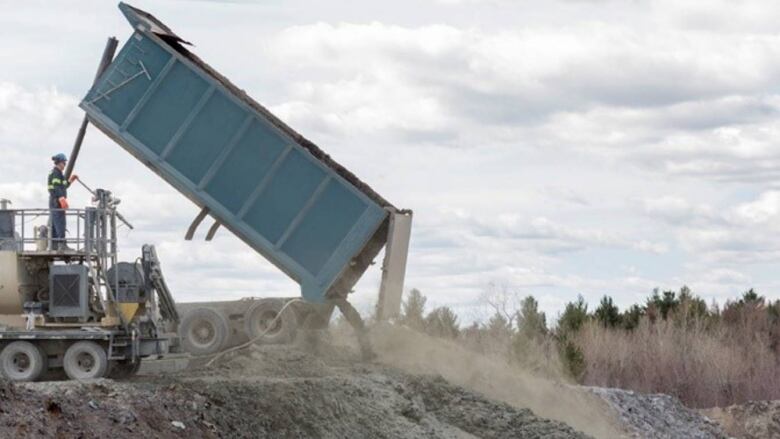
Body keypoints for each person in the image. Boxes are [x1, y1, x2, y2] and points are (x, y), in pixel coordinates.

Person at [48, 153, 78, 250]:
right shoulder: (56, 173)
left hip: (54, 202)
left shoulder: (57, 173)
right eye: (63, 163)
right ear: (59, 163)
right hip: (56, 202)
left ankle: (54, 245)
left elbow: (63, 185)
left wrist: (70, 181)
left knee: (54, 223)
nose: (64, 165)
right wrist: (61, 199)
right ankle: (62, 245)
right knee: (60, 222)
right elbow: (56, 187)